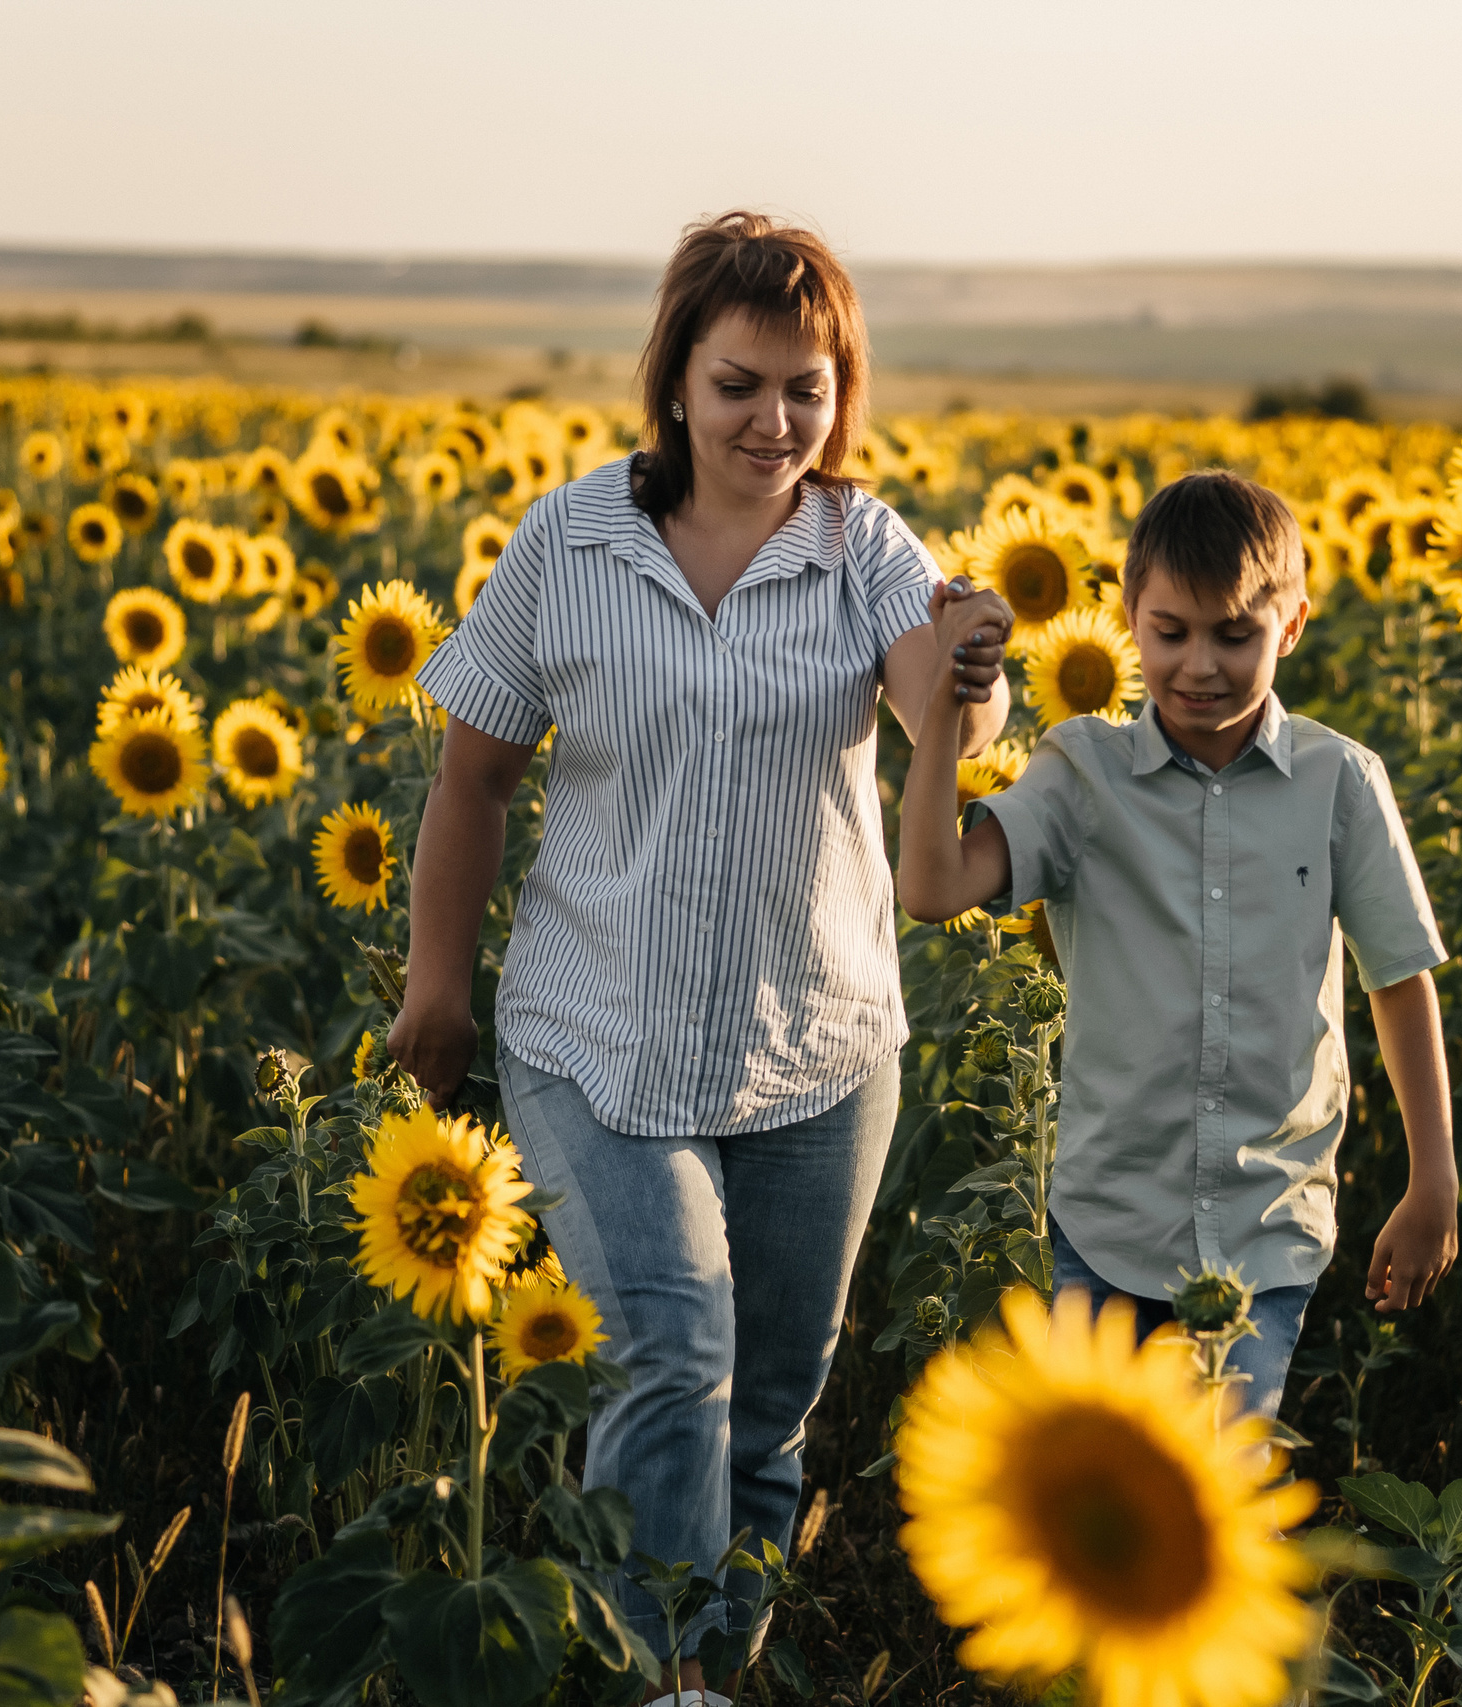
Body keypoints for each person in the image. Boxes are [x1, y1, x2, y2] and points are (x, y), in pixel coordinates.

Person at [387, 211, 1013, 1706]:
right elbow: (470, 777)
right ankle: (659, 1679)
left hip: (817, 1046)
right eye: (741, 384)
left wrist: (972, 662)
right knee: (672, 1345)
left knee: (769, 1408)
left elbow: (944, 709)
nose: (775, 420)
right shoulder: (571, 540)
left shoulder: (862, 543)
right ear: (676, 379)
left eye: (808, 387)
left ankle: (706, 1671)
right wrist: (438, 980)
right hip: (599, 1033)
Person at [895, 469, 1458, 1423]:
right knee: (1088, 1499)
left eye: (1234, 635)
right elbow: (933, 886)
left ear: (1291, 626)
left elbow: (1398, 978)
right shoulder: (1082, 774)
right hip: (1109, 1222)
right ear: (1129, 617)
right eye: (1172, 633)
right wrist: (947, 704)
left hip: (1265, 1228)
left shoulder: (1340, 783)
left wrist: (1433, 1176)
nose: (1200, 665)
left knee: (1216, 1488)